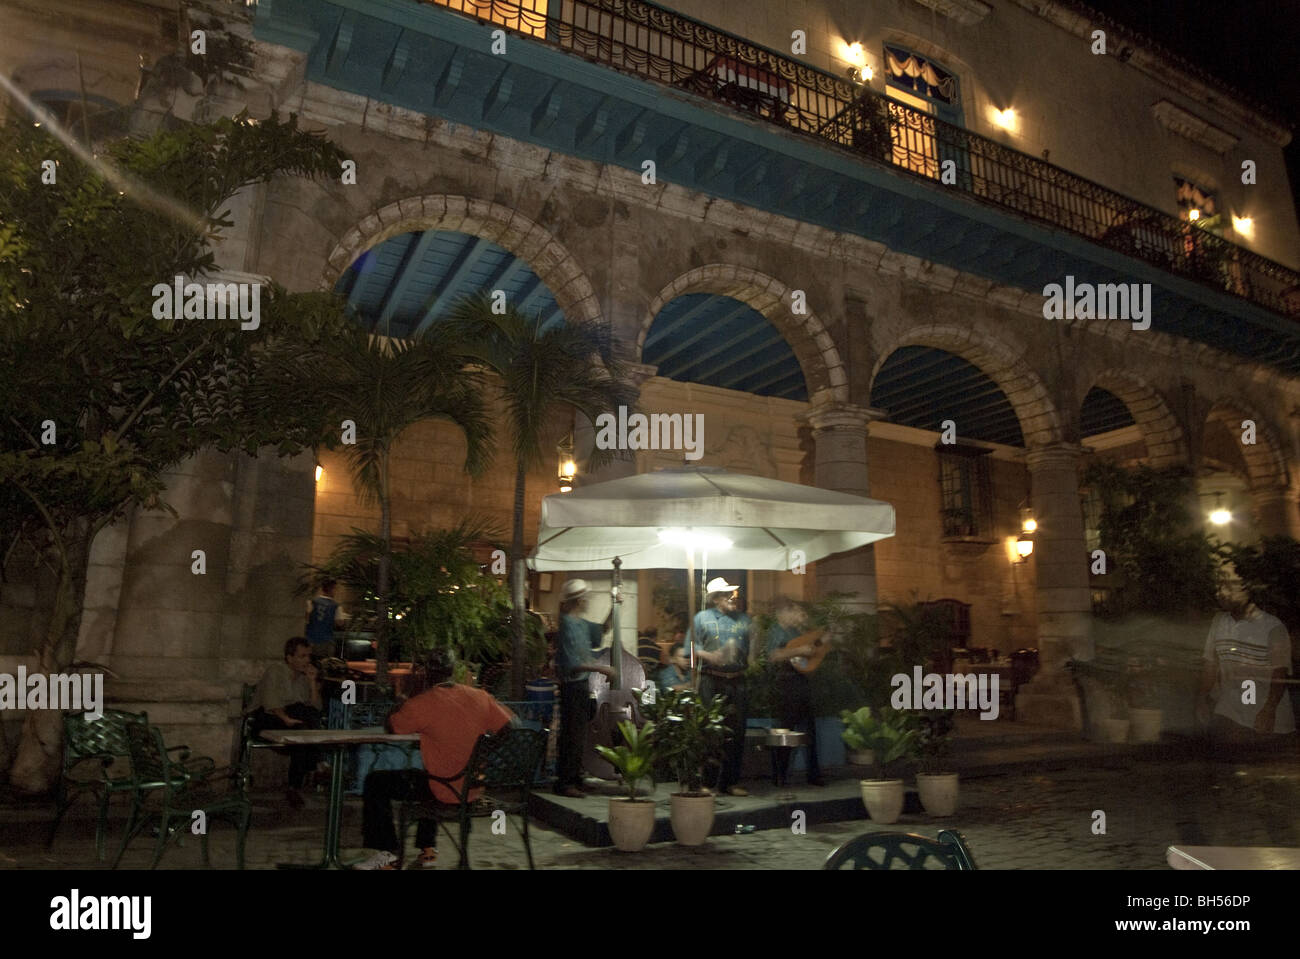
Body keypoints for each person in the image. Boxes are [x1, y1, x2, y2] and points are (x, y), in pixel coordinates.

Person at [353, 647, 515, 870]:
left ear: (426, 672)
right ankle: (427, 849)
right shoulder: (479, 696)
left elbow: (392, 726)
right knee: (425, 776)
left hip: (443, 788)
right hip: (472, 787)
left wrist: (404, 697)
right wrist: (485, 749)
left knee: (376, 782)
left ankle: (386, 853)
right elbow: (512, 725)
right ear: (453, 669)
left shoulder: (423, 702)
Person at [1198, 586, 1296, 751]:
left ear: (1248, 592)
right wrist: (1201, 697)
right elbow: (1211, 663)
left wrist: (1269, 709)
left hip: (1263, 716)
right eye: (1220, 588)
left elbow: (1279, 672)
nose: (1221, 593)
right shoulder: (1219, 622)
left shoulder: (1272, 627)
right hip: (1230, 710)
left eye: (1229, 587)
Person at [689, 577, 755, 797]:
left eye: (732, 594)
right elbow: (689, 651)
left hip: (738, 680)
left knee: (737, 732)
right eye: (727, 594)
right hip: (711, 680)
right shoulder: (701, 618)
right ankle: (707, 782)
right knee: (711, 731)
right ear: (715, 598)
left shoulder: (744, 619)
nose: (731, 597)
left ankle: (731, 782)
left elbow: (752, 648)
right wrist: (710, 655)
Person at [554, 579, 616, 798]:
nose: (587, 601)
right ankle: (566, 781)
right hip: (573, 686)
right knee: (572, 733)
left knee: (580, 733)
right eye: (586, 598)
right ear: (579, 600)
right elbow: (573, 664)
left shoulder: (579, 623)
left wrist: (614, 607)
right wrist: (602, 668)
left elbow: (603, 629)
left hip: (582, 684)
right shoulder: (567, 625)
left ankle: (576, 777)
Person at [248, 637, 324, 808]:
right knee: (301, 718)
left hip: (296, 721)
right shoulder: (276, 671)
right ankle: (319, 764)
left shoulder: (304, 678)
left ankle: (293, 788)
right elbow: (271, 702)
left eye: (308, 656)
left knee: (303, 733)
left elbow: (316, 707)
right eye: (302, 656)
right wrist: (286, 719)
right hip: (268, 718)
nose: (307, 661)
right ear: (290, 658)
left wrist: (312, 682)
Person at [766, 597, 825, 786]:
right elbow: (774, 655)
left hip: (802, 680)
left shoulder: (796, 631)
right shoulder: (776, 631)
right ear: (783, 612)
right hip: (785, 683)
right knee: (786, 730)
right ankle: (780, 775)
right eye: (794, 612)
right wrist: (799, 650)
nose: (796, 616)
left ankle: (813, 775)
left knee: (809, 730)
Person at [305, 579, 350, 654]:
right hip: (326, 640)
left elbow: (307, 617)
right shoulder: (336, 606)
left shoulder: (312, 601)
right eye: (335, 589)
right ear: (331, 589)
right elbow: (340, 623)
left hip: (311, 639)